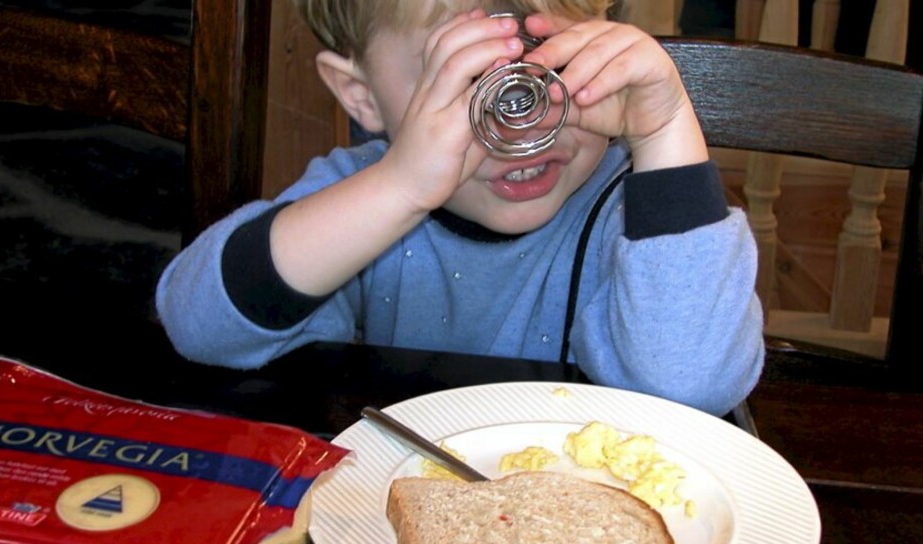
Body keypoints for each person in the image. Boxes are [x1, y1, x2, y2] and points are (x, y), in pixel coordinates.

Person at [156, 0, 764, 417]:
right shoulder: (362, 194)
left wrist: (663, 131)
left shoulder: (633, 220)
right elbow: (198, 326)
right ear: (361, 96)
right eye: (465, 76)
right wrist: (398, 188)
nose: (517, 116)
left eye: (550, 58)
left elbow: (690, 390)